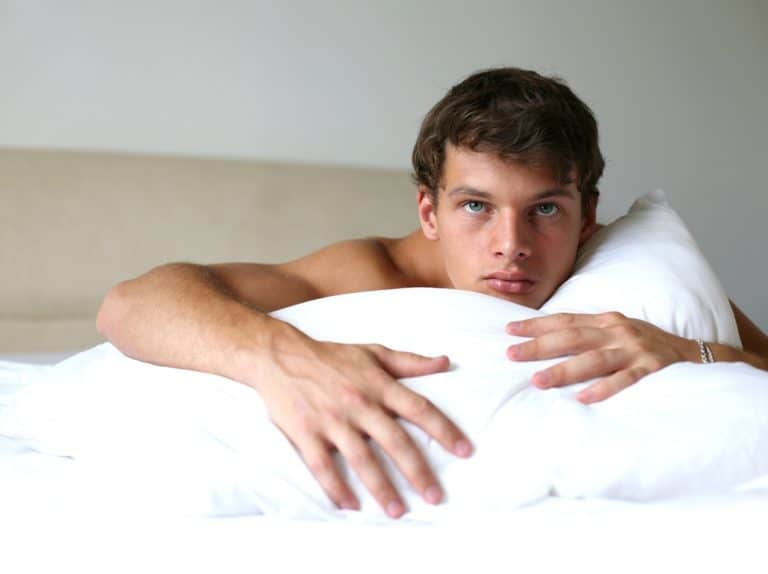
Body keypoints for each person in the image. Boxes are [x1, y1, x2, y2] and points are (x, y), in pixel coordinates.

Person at [96, 67, 768, 519]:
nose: (512, 244)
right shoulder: (373, 272)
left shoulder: (631, 277)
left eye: (545, 209)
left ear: (586, 215)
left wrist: (691, 350)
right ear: (428, 212)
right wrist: (276, 357)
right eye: (476, 206)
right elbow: (131, 302)